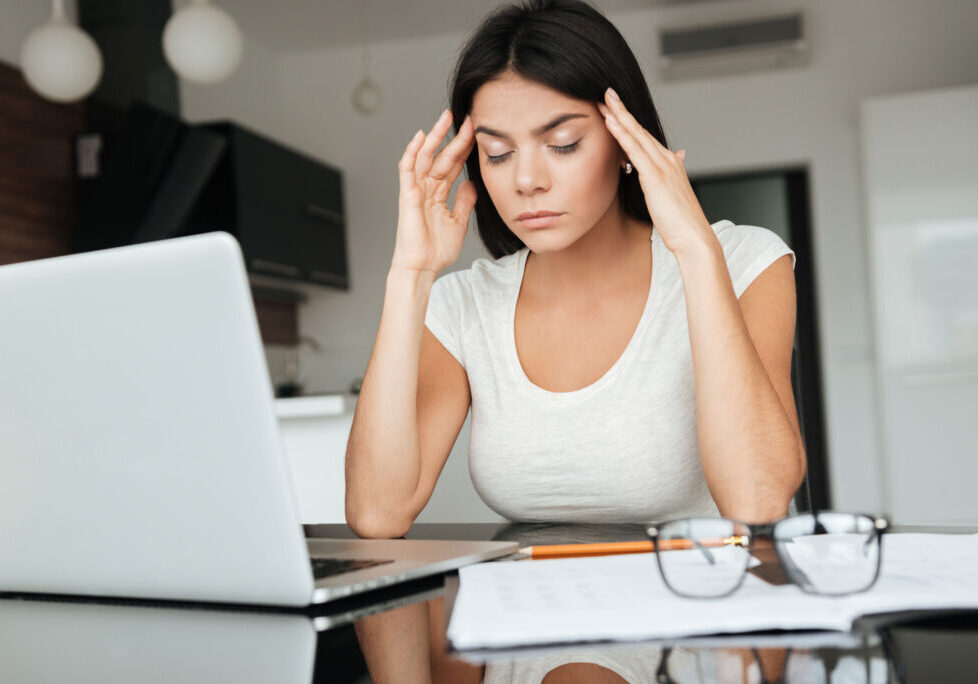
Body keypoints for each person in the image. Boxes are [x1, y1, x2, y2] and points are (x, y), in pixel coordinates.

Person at [345, 0, 805, 539]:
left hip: (706, 608)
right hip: (534, 614)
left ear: (624, 140)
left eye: (562, 144)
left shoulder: (745, 261)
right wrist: (411, 274)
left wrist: (696, 252)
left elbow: (758, 500)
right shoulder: (465, 306)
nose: (527, 180)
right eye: (497, 154)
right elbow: (377, 514)